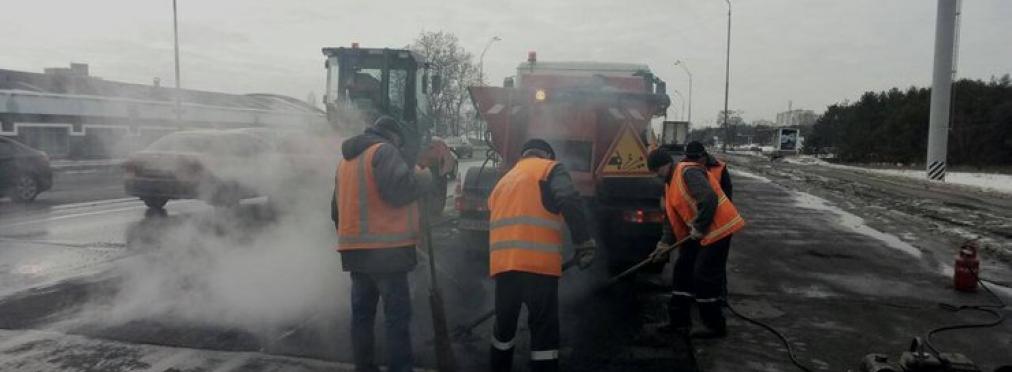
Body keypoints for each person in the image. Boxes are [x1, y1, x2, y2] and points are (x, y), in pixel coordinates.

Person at [331, 116, 432, 372]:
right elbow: (400, 191)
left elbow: (336, 211)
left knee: (362, 317)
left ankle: (364, 367)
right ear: (393, 136)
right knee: (396, 318)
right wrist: (424, 179)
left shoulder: (346, 162)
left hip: (355, 253)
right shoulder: (384, 151)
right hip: (387, 254)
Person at [487, 138, 597, 372]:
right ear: (547, 155)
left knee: (503, 330)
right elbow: (567, 198)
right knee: (543, 332)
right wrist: (583, 242)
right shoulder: (550, 169)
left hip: (504, 269)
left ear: (524, 155)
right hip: (538, 269)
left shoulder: (505, 180)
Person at [647, 141, 744, 339]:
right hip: (699, 232)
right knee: (682, 270)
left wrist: (699, 227)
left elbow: (709, 199)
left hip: (718, 230)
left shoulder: (687, 172)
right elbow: (671, 219)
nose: (655, 174)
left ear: (666, 164)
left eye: (656, 170)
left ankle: (714, 325)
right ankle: (679, 321)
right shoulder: (669, 184)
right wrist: (664, 244)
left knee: (704, 275)